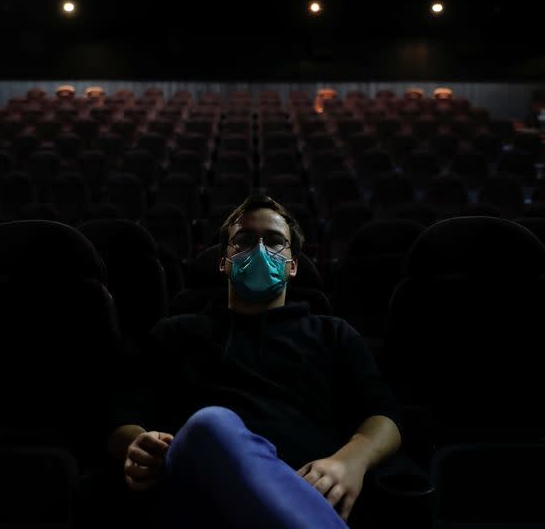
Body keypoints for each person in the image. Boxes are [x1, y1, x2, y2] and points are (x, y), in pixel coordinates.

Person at [106, 195, 402, 528]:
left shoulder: (332, 334)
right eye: (245, 241)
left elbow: (384, 417)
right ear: (224, 262)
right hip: (199, 497)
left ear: (292, 265)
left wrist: (349, 463)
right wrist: (137, 443)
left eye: (275, 242)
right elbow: (123, 417)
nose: (261, 250)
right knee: (210, 425)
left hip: (310, 491)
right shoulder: (175, 333)